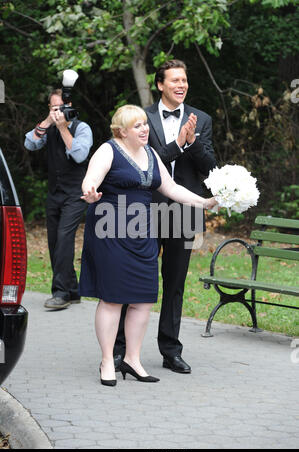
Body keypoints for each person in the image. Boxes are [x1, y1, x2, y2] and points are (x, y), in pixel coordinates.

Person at [79, 104, 217, 386]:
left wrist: (205, 202)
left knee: (142, 300)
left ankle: (132, 359)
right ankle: (108, 360)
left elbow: (171, 189)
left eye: (145, 124)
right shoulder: (108, 150)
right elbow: (90, 181)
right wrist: (90, 193)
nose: (144, 129)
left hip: (143, 233)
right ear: (122, 131)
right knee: (113, 298)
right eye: (138, 126)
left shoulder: (152, 154)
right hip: (111, 231)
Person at [114, 60, 217, 374]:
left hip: (182, 211)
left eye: (184, 80)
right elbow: (147, 160)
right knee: (132, 278)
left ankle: (170, 350)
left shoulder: (203, 119)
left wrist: (193, 142)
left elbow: (211, 168)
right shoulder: (141, 118)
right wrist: (178, 144)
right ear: (160, 85)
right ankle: (119, 351)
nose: (181, 85)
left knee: (175, 284)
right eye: (175, 80)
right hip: (142, 209)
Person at [24, 89, 93, 309]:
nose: (57, 113)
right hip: (54, 193)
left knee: (64, 237)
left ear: (69, 106)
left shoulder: (82, 128)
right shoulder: (49, 127)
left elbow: (79, 154)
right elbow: (30, 143)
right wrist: (48, 120)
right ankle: (73, 290)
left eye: (60, 108)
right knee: (54, 241)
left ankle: (61, 293)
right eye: (53, 108)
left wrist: (63, 127)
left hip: (76, 193)